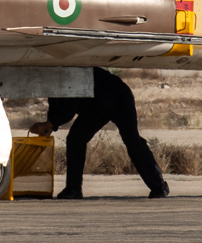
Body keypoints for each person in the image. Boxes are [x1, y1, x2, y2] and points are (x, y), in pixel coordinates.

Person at [30, 67, 170, 199]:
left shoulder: (70, 75)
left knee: (132, 140)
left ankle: (159, 186)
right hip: (95, 107)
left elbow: (68, 111)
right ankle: (73, 190)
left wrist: (47, 124)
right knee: (75, 139)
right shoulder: (52, 83)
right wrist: (49, 127)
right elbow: (56, 108)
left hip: (118, 98)